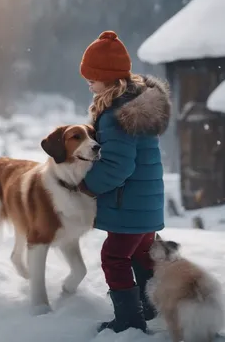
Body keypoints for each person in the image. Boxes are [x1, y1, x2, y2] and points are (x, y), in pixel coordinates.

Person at [76, 31, 171, 334]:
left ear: (107, 79)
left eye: (92, 77)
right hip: (145, 203)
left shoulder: (116, 114)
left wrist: (87, 186)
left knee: (114, 257)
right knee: (142, 255)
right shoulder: (138, 104)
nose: (88, 83)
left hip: (128, 203)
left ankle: (130, 320)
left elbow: (118, 166)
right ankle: (149, 304)